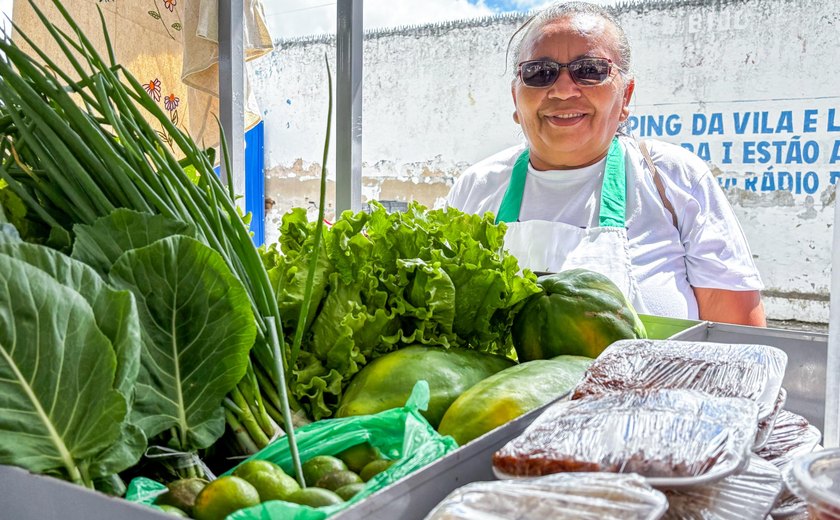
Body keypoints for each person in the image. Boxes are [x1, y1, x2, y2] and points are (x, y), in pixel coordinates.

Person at [446, 1, 766, 326]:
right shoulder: (476, 187)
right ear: (516, 99)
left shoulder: (673, 179)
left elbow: (739, 338)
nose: (562, 90)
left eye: (589, 70)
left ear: (625, 97)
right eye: (540, 73)